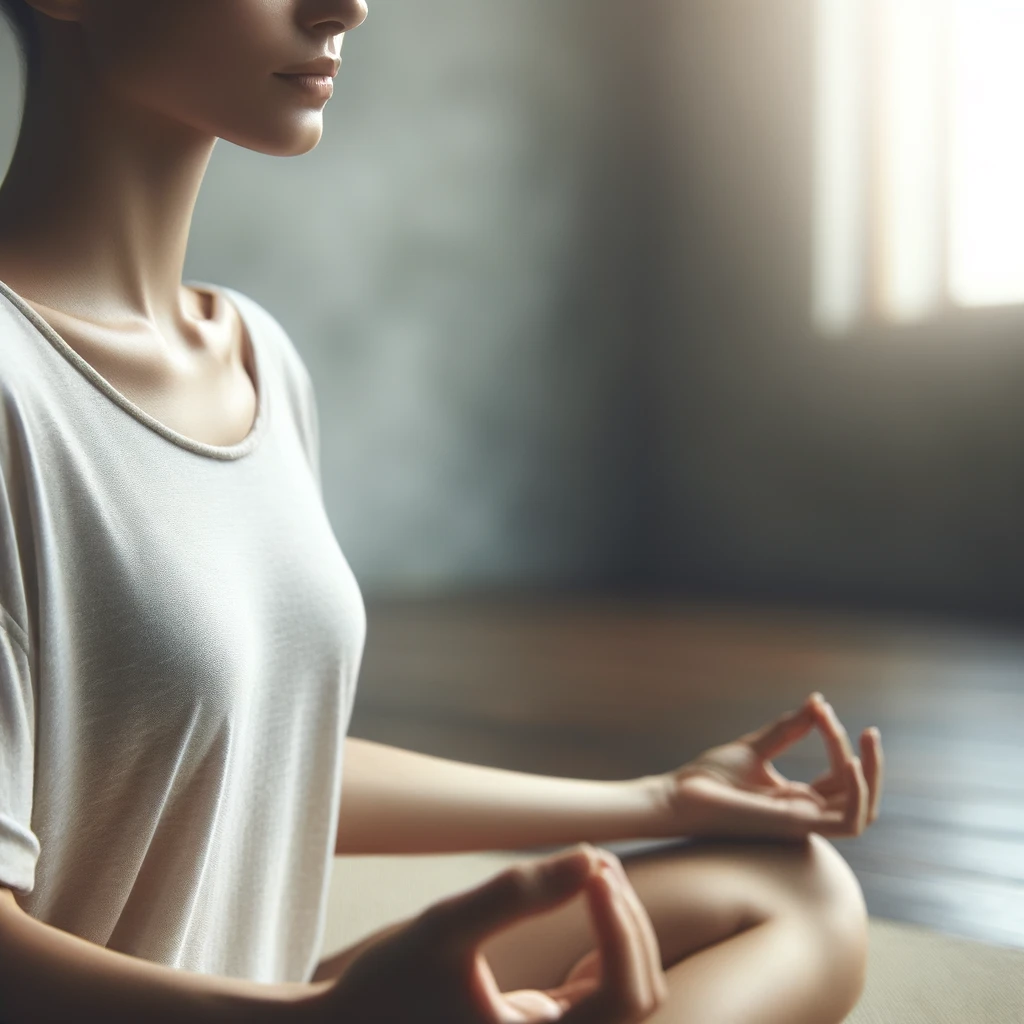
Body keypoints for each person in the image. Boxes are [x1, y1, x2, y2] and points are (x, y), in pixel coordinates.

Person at [0, 2, 885, 1021]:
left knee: (795, 890)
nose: (346, 4)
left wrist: (655, 798)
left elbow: (250, 758)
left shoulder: (258, 359)